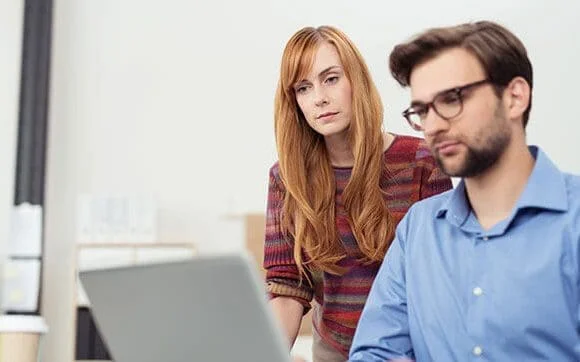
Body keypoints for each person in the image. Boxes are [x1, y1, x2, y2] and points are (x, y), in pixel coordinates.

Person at [349, 20, 580, 362]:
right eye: (422, 110)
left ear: (515, 97)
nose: (434, 125)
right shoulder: (418, 229)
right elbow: (374, 354)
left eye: (452, 99)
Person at [264, 25, 452, 361]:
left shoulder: (422, 162)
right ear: (294, 102)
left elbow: (438, 281)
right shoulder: (286, 177)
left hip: (408, 351)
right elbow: (287, 286)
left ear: (356, 80)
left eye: (331, 79)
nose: (319, 97)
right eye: (304, 88)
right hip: (333, 352)